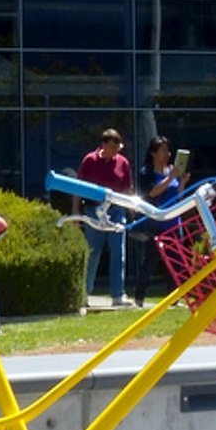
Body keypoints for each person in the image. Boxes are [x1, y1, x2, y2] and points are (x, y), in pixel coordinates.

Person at [75, 127, 133, 306]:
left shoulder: (123, 162)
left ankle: (118, 295)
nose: (116, 151)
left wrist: (132, 210)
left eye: (118, 147)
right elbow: (78, 188)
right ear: (104, 145)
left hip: (116, 211)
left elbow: (127, 190)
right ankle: (84, 294)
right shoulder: (89, 161)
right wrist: (76, 213)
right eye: (113, 147)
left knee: (118, 252)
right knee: (93, 252)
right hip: (93, 210)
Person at [126, 135, 183, 306]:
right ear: (153, 153)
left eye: (168, 150)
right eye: (163, 150)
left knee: (176, 262)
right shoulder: (147, 173)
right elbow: (151, 193)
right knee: (151, 260)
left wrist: (182, 182)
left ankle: (173, 297)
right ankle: (139, 296)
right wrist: (171, 178)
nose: (167, 154)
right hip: (156, 224)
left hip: (174, 222)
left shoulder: (171, 171)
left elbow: (177, 195)